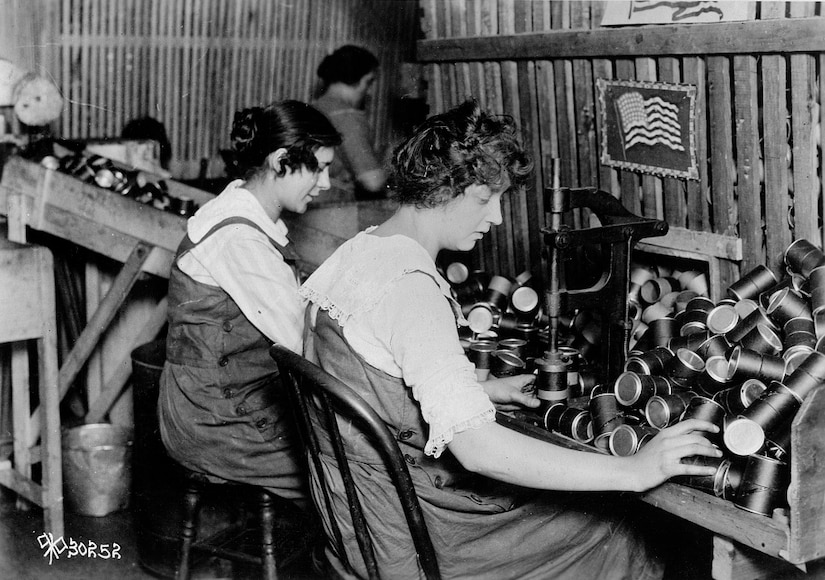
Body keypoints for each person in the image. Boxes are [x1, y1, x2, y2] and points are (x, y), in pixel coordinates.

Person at [299, 100, 721, 579]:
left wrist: (485, 391)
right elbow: (478, 451)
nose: (497, 217)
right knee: (624, 524)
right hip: (414, 537)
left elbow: (371, 384)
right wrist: (635, 470)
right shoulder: (410, 290)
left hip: (353, 512)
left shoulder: (355, 254)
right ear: (442, 190)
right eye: (485, 199)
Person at [158, 100, 341, 503]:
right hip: (215, 424)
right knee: (357, 475)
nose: (326, 183)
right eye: (319, 167)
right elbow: (303, 341)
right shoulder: (239, 238)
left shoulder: (245, 212)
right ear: (280, 161)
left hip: (225, 403)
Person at [312, 45, 387, 200]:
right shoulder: (346, 117)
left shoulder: (315, 108)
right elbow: (372, 182)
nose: (370, 91)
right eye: (369, 82)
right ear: (353, 79)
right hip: (334, 207)